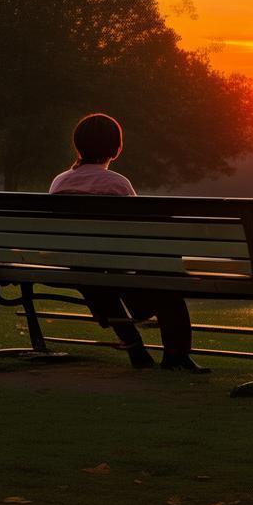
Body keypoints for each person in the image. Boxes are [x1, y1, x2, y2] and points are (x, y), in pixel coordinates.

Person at [49, 113, 207, 373]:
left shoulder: (60, 182)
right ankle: (176, 356)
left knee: (99, 281)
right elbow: (138, 232)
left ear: (78, 146)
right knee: (166, 276)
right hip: (114, 263)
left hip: (76, 264)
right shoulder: (117, 184)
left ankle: (136, 347)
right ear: (117, 149)